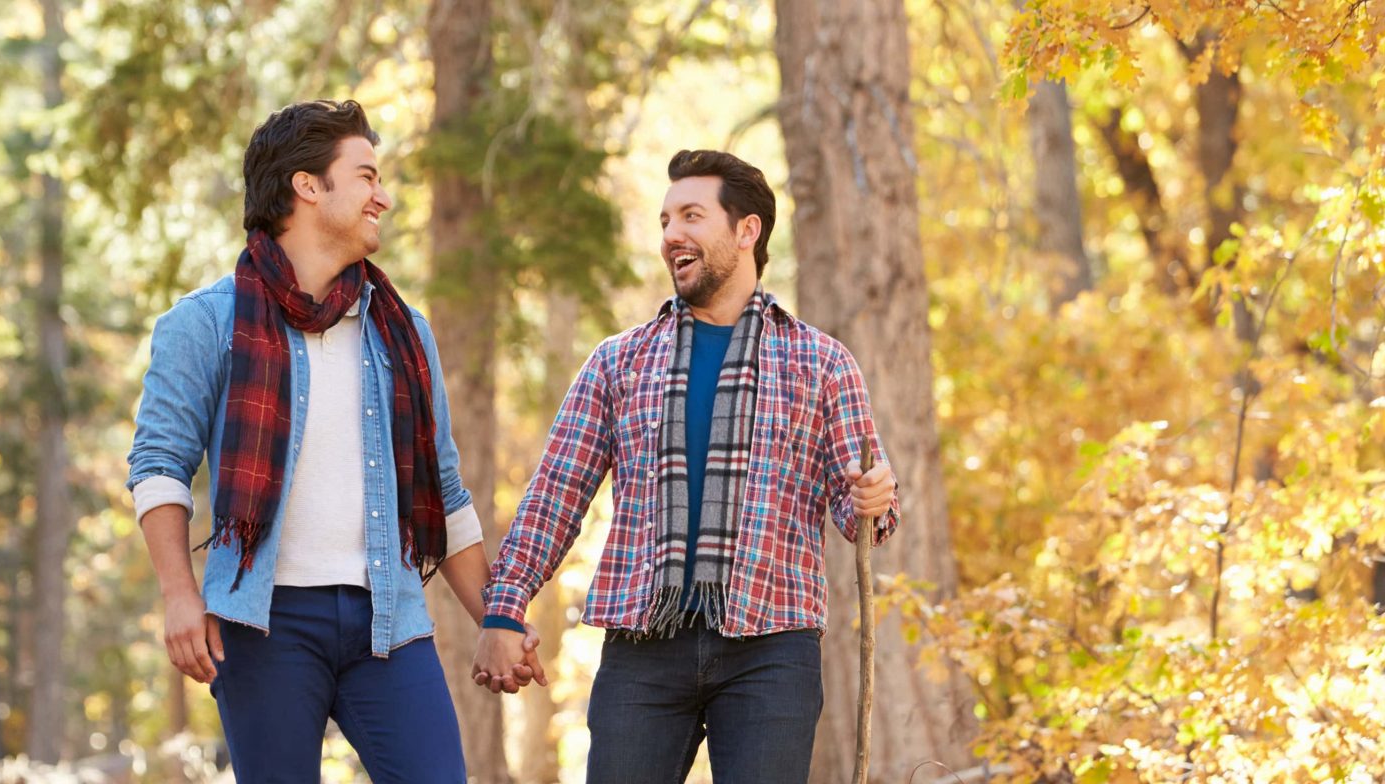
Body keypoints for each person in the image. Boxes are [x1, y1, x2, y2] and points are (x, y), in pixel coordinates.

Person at [126, 99, 541, 783]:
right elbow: (159, 467)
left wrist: (497, 617)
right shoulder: (205, 324)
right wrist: (179, 595)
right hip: (264, 624)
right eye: (367, 176)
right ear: (308, 186)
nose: (384, 196)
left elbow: (443, 491)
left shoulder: (404, 333)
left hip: (390, 620)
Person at [472, 149, 900, 783]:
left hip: (772, 647)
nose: (672, 234)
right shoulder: (620, 361)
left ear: (746, 230)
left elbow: (862, 510)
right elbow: (555, 496)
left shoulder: (822, 363)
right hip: (643, 646)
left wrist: (873, 499)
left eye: (691, 216)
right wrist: (505, 609)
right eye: (666, 219)